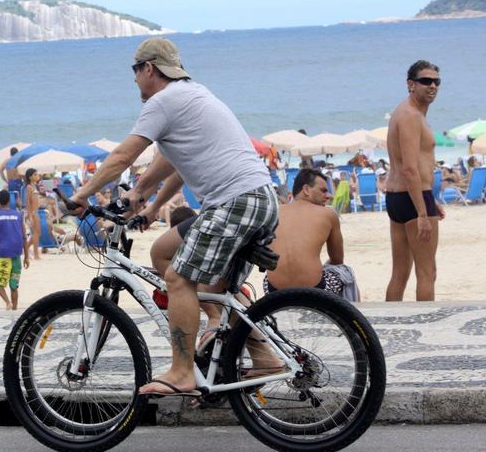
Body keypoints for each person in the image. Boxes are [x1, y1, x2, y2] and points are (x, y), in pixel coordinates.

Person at [67, 37, 280, 397]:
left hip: (236, 201)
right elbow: (174, 163)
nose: (134, 80)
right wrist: (142, 199)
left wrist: (82, 194)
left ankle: (182, 371)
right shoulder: (192, 95)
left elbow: (122, 156)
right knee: (167, 252)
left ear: (148, 68)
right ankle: (263, 355)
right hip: (256, 199)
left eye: (135, 72)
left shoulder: (162, 101)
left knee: (179, 278)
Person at [384, 60, 445, 302]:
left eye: (436, 81)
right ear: (411, 84)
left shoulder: (405, 112)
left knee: (400, 273)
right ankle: (427, 328)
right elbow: (410, 168)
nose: (432, 86)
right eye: (425, 81)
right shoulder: (410, 115)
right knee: (427, 272)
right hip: (413, 197)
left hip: (399, 197)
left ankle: (389, 326)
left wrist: (430, 200)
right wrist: (422, 212)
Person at [263, 169, 357, 299]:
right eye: (323, 190)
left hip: (274, 292)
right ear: (306, 189)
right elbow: (337, 260)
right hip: (315, 289)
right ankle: (347, 317)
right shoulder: (328, 214)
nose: (329, 196)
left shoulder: (274, 212)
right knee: (346, 273)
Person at [0, 190, 29, 310]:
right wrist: (27, 257)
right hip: (16, 255)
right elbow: (24, 236)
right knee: (14, 286)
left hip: (2, 254)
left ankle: (8, 302)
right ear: (9, 201)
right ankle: (14, 310)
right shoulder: (19, 215)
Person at [23, 168, 41, 260]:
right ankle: (36, 254)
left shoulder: (35, 186)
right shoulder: (29, 187)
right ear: (30, 177)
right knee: (36, 233)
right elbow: (27, 202)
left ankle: (26, 248)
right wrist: (30, 215)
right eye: (34, 174)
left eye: (37, 174)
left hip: (36, 212)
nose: (37, 175)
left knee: (37, 233)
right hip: (33, 213)